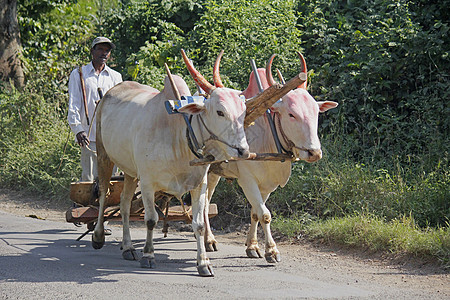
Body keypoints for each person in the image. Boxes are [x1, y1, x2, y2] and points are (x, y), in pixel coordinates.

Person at [67, 37, 122, 182]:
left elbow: (121, 108)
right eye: (100, 49)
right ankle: (89, 205)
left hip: (111, 136)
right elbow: (73, 104)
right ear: (92, 51)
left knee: (111, 179)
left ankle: (106, 205)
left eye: (107, 50)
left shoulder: (115, 77)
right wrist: (78, 130)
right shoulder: (79, 74)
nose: (104, 53)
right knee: (89, 179)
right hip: (88, 135)